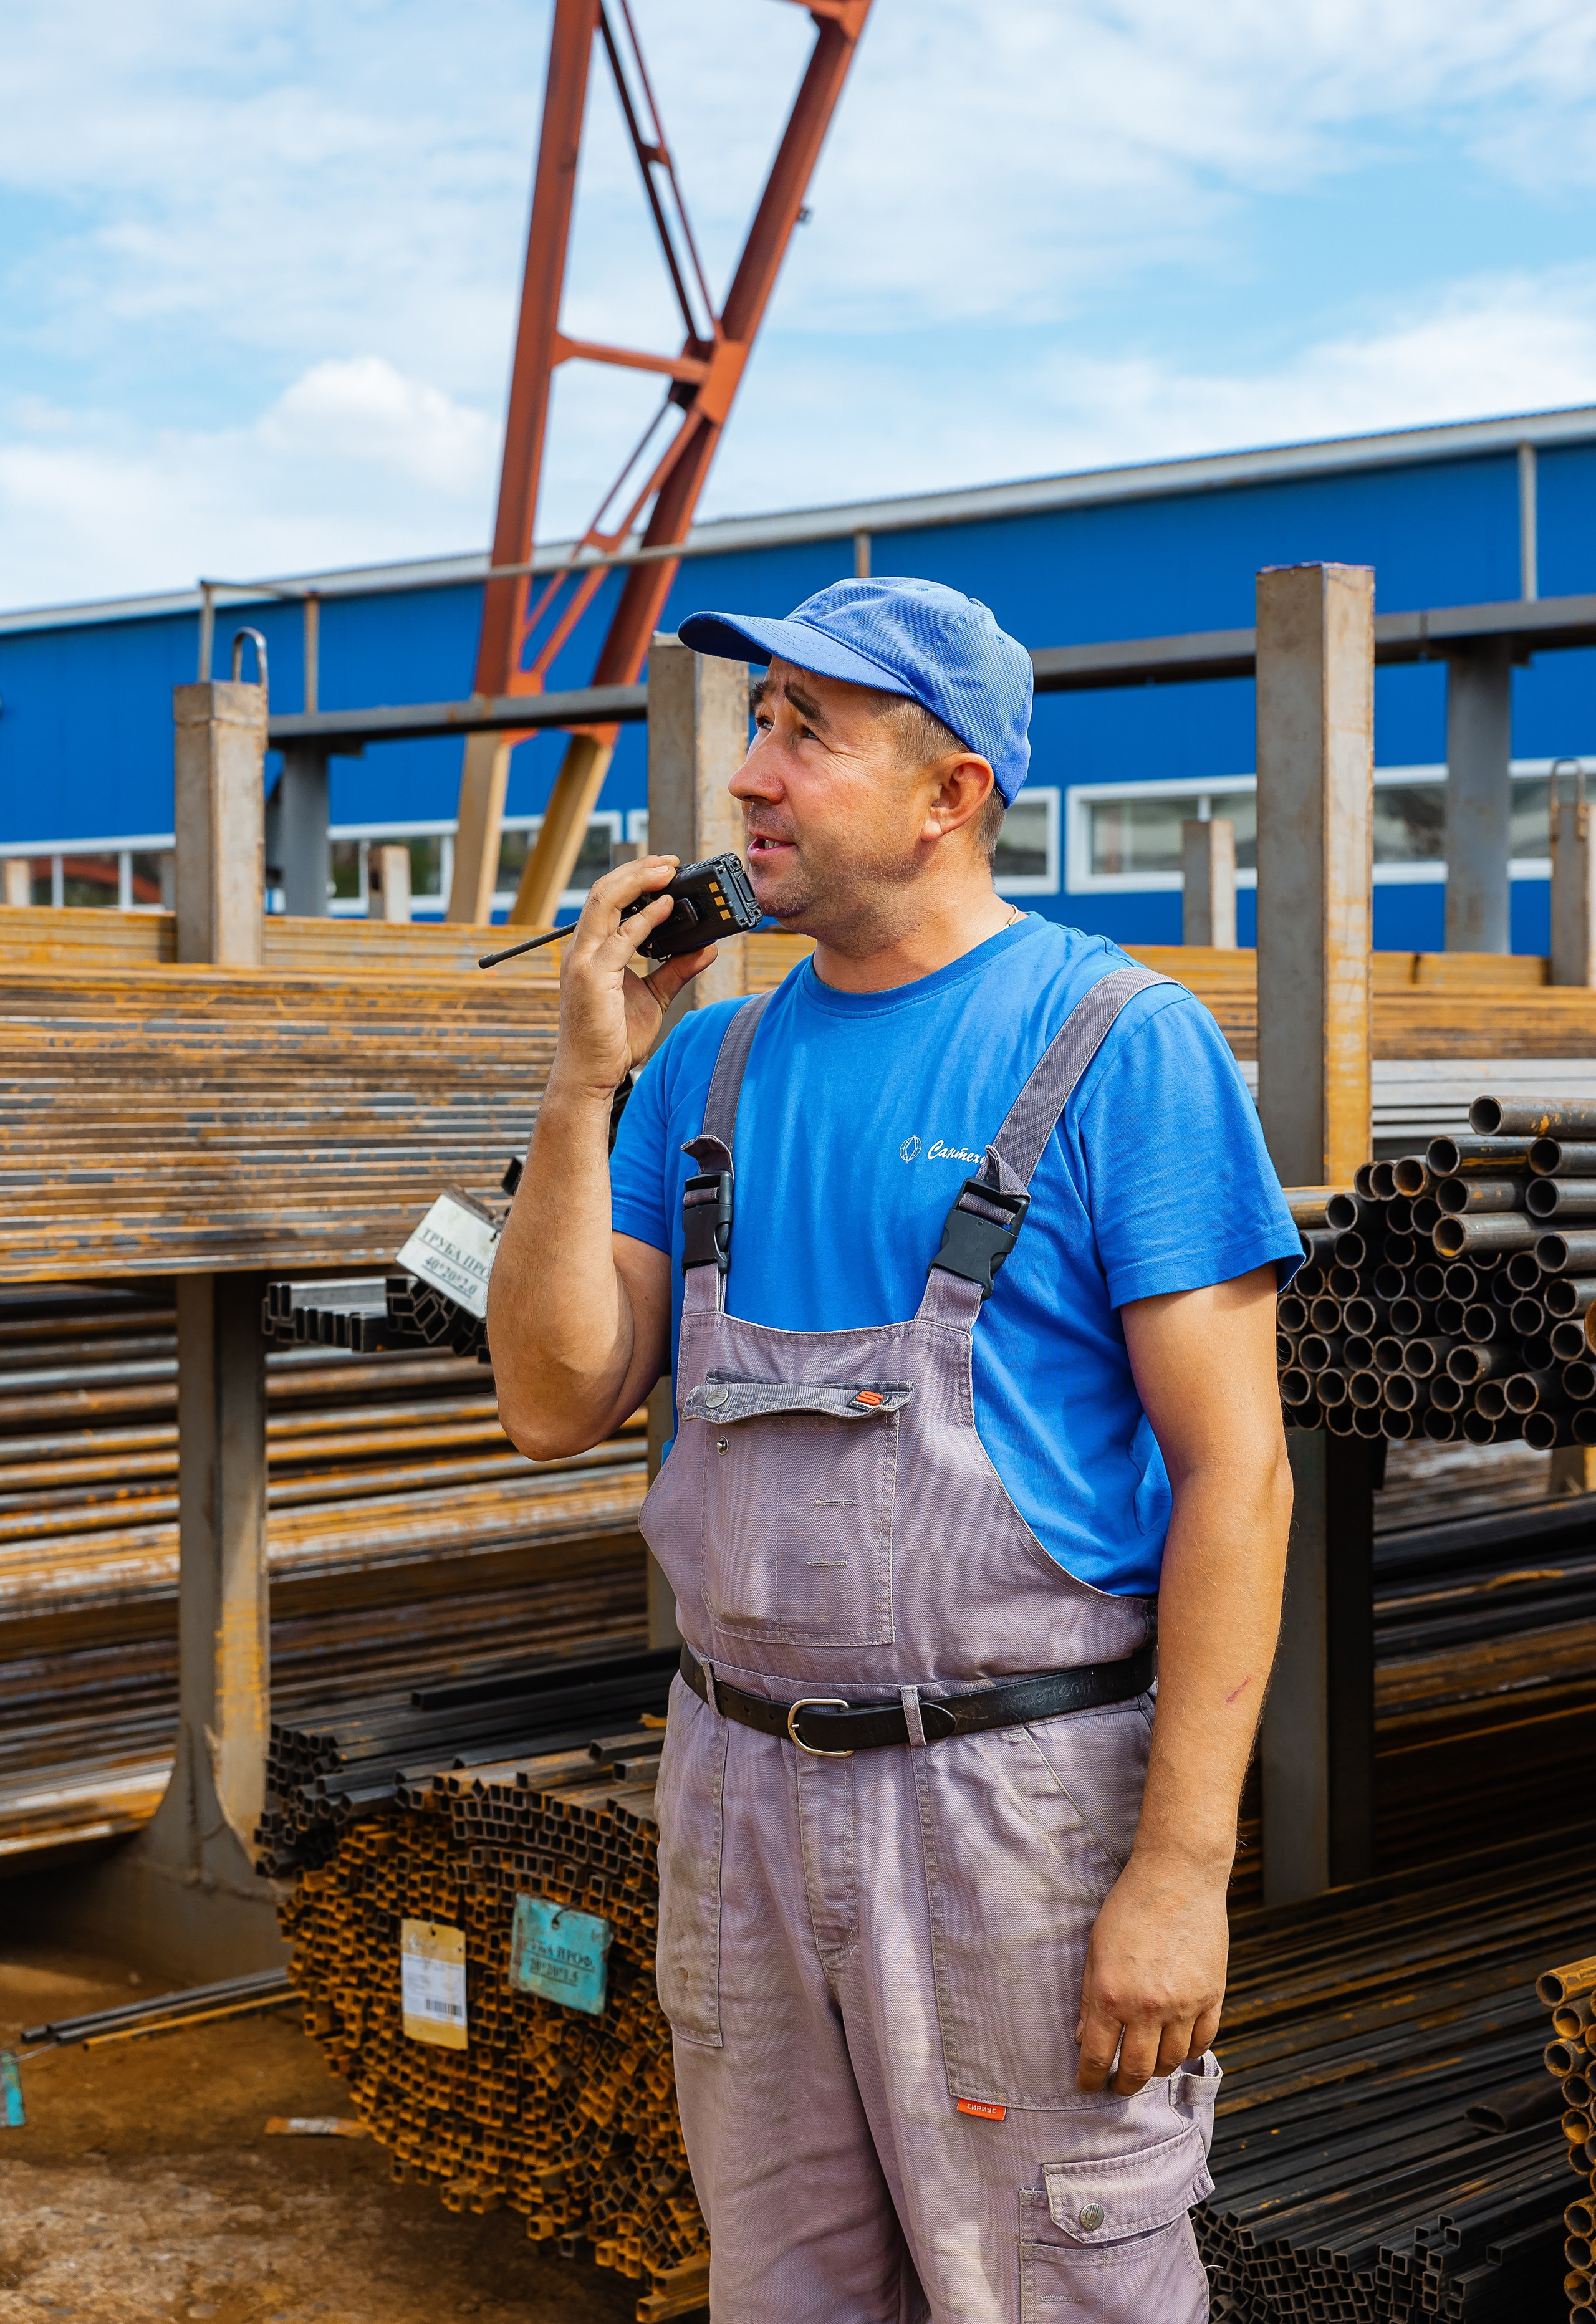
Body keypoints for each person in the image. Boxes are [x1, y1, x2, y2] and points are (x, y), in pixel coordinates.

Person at [489, 576, 1299, 2324]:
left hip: (1013, 1804)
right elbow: (554, 1400)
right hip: (737, 1790)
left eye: (806, 733)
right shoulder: (704, 1067)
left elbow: (1242, 1474)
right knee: (784, 2292)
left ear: (952, 793)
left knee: (1048, 2288)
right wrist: (581, 1086)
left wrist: (1179, 1872)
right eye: (756, 726)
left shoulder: (1118, 1048)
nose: (751, 780)